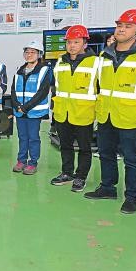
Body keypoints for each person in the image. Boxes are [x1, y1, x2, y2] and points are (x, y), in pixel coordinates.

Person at [84, 9, 136, 214]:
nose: (121, 29)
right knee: (105, 153)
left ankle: (132, 197)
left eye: (128, 26)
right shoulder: (104, 54)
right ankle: (107, 187)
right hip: (106, 114)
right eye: (119, 25)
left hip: (132, 117)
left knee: (131, 158)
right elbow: (99, 84)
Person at [50, 25, 99, 193]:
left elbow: (101, 88)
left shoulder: (96, 62)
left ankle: (81, 176)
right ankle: (67, 173)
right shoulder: (60, 61)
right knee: (65, 145)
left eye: (76, 42)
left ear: (85, 43)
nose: (71, 45)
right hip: (62, 112)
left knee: (84, 148)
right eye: (69, 42)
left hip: (83, 112)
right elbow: (56, 87)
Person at [11, 39, 52, 175]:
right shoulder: (19, 70)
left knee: (33, 138)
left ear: (39, 54)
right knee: (22, 137)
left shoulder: (44, 70)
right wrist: (17, 105)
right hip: (20, 111)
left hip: (34, 112)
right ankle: (21, 160)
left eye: (32, 52)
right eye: (27, 52)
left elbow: (43, 92)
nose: (29, 55)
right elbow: (13, 90)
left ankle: (33, 163)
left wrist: (26, 107)